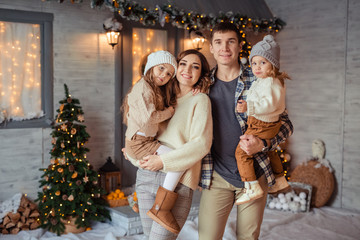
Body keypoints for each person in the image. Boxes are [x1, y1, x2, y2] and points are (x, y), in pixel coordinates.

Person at [198, 22, 293, 240]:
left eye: (231, 41)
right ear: (211, 47)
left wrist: (264, 144)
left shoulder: (260, 77)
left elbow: (287, 124)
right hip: (218, 176)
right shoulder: (203, 84)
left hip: (256, 173)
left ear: (240, 45)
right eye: (218, 42)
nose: (225, 48)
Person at [124, 49, 213, 239]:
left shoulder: (200, 100)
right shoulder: (162, 97)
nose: (187, 69)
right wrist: (132, 157)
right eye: (183, 64)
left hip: (177, 182)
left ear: (200, 74)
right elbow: (143, 135)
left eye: (195, 66)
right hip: (147, 176)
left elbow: (201, 144)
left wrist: (163, 162)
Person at [122, 50, 188, 234]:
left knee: (162, 163)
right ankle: (161, 209)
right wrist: (169, 112)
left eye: (169, 74)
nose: (164, 75)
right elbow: (149, 117)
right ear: (151, 67)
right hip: (140, 143)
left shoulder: (150, 88)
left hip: (142, 141)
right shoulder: (142, 87)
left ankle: (144, 202)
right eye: (161, 69)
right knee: (177, 162)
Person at [234, 35, 291, 205]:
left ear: (273, 64)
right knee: (270, 151)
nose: (257, 67)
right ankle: (280, 180)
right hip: (262, 122)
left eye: (263, 62)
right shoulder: (262, 81)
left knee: (242, 152)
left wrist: (248, 107)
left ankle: (251, 186)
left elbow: (269, 104)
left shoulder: (272, 82)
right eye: (254, 63)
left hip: (262, 123)